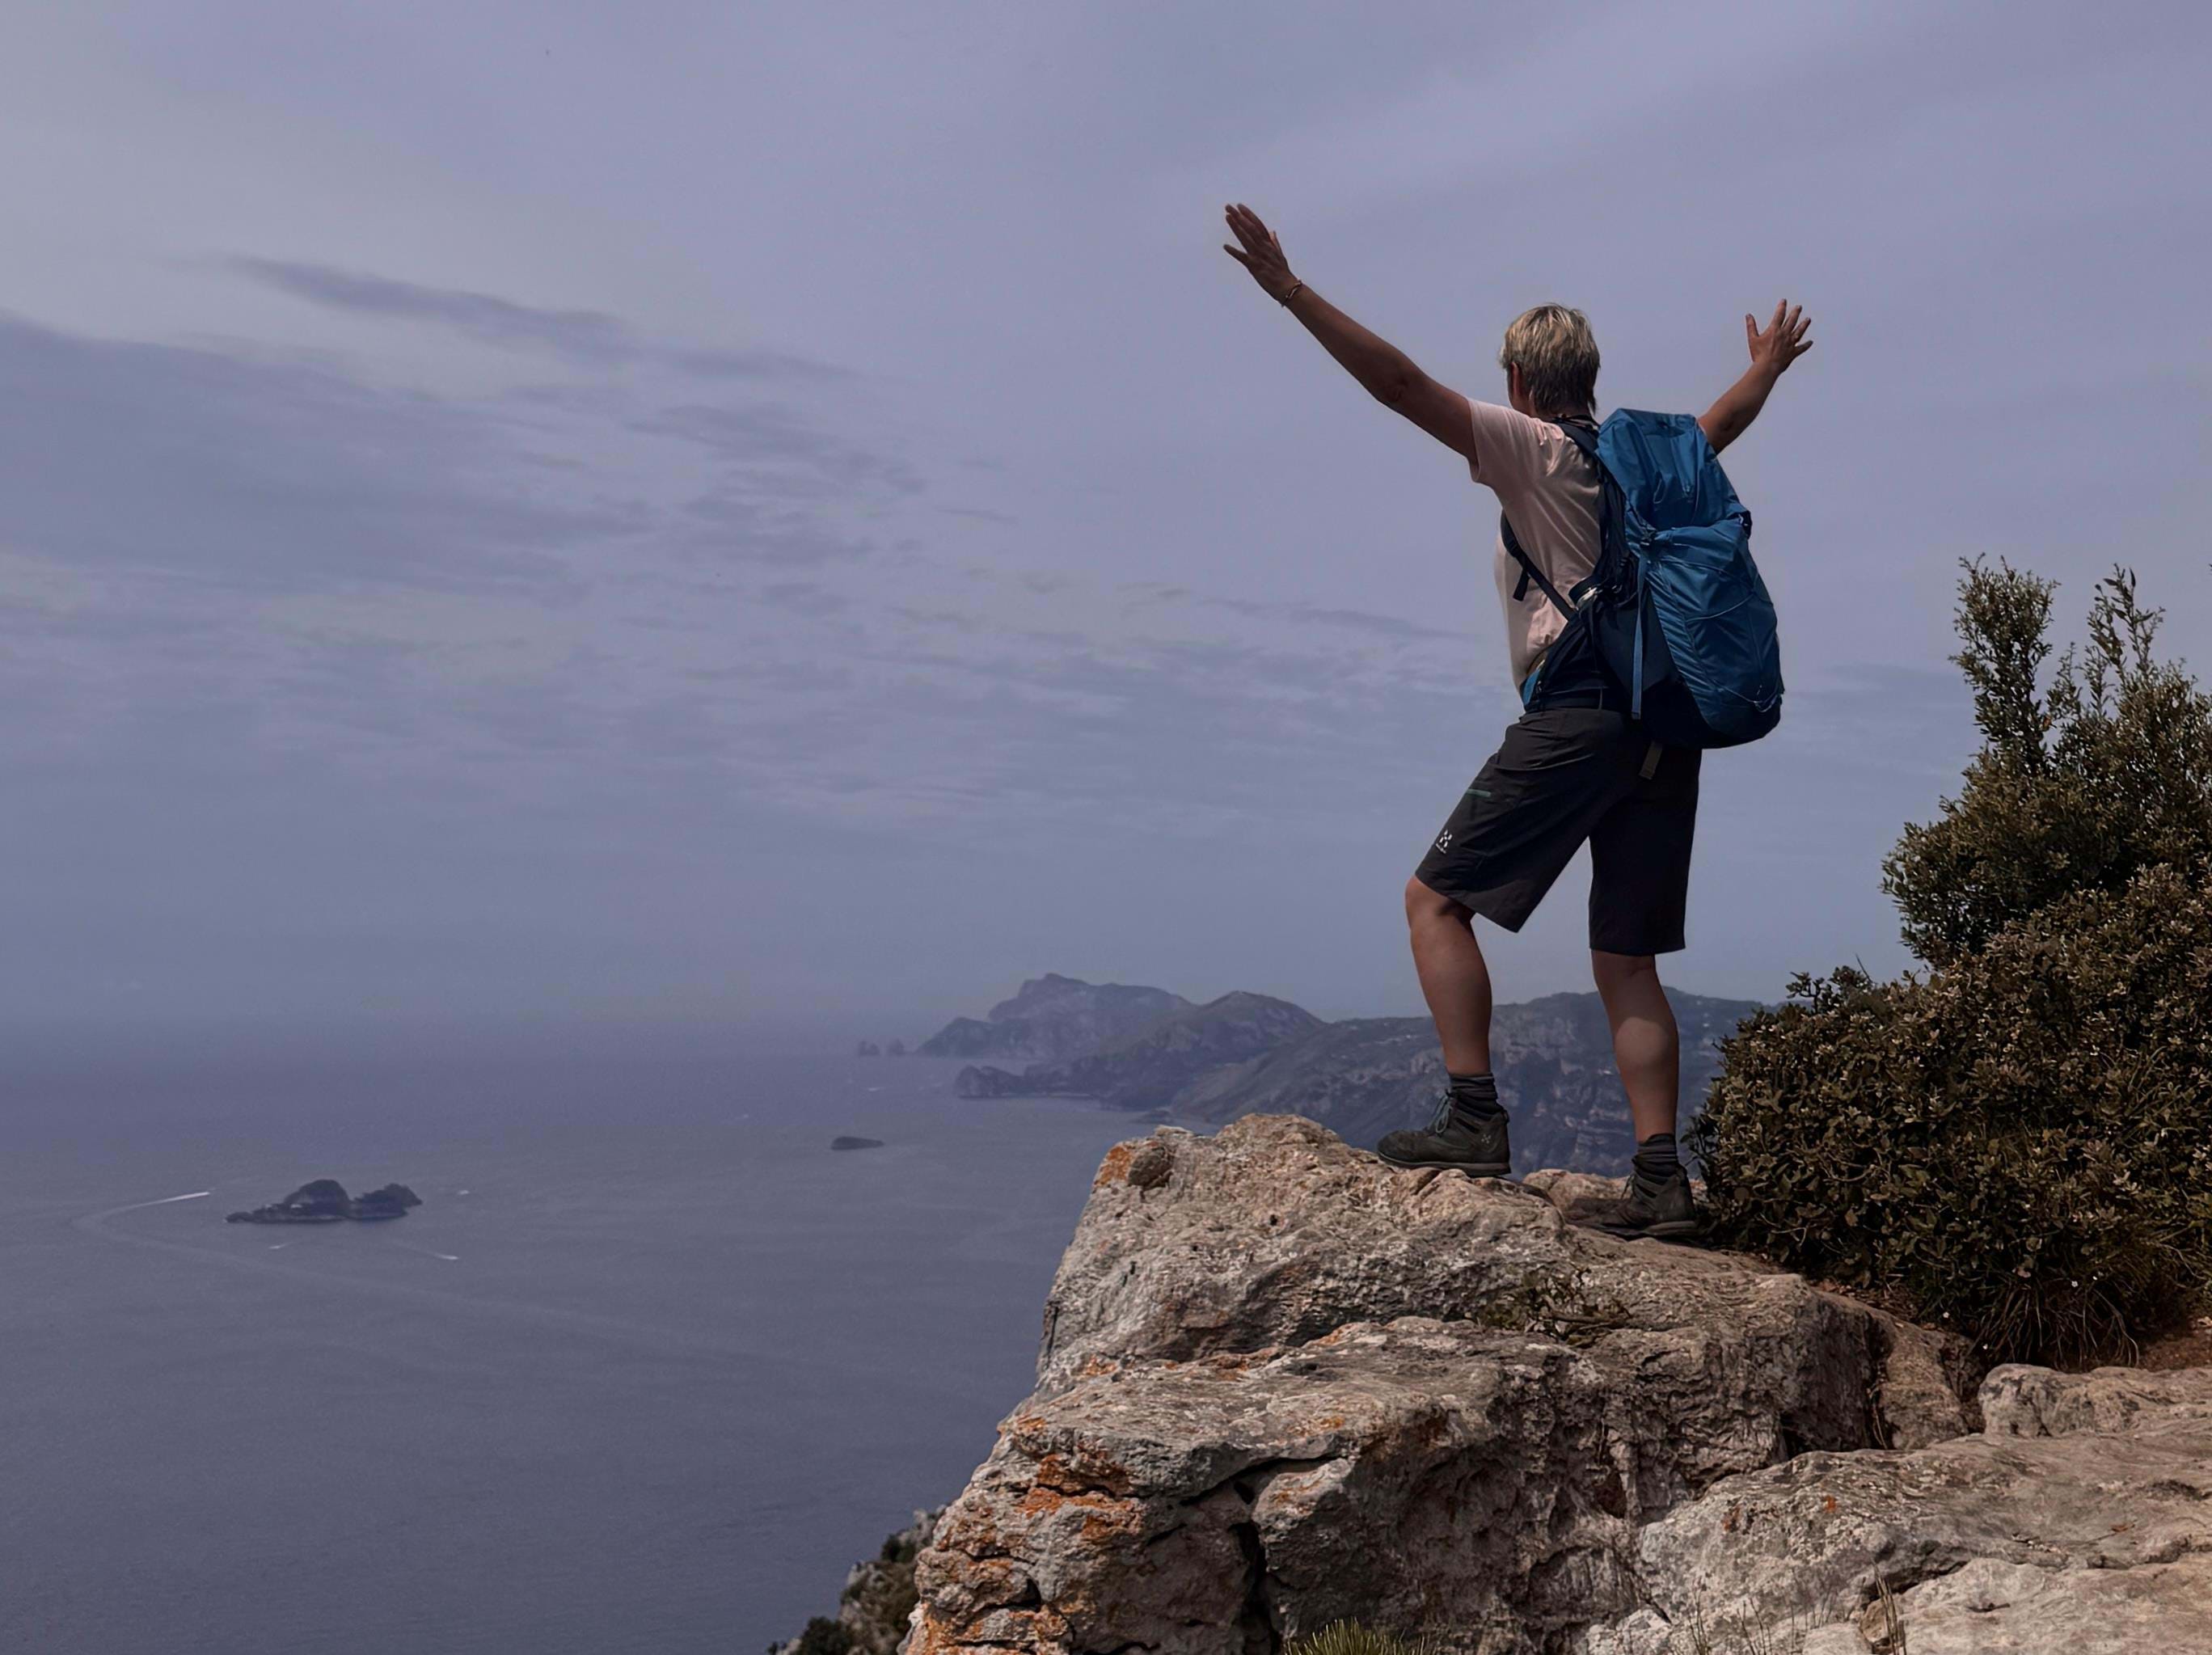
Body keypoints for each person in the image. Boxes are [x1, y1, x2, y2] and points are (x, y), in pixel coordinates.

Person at [1221, 201, 1812, 1239]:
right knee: (1628, 959)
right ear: (1591, 373)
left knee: (1432, 901)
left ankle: (1473, 1117)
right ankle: (1663, 1181)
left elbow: (1400, 388)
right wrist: (1765, 371)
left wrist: (1291, 293)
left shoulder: (1535, 451)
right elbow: (1720, 427)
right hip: (1664, 725)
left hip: (1581, 710)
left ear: (1521, 382)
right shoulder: (1648, 461)